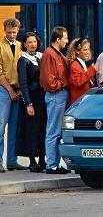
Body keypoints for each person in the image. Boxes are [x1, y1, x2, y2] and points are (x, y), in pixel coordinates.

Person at [39, 26, 70, 174]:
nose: (66, 41)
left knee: (57, 131)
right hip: (56, 95)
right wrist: (62, 84)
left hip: (59, 94)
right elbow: (48, 81)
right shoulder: (50, 54)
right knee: (53, 131)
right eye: (65, 38)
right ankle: (51, 164)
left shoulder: (57, 54)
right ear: (58, 39)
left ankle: (55, 163)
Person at [15, 32, 47, 173]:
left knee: (42, 128)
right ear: (25, 44)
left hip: (42, 99)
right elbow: (23, 83)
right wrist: (28, 103)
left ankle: (42, 159)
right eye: (29, 42)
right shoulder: (23, 59)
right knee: (31, 130)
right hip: (31, 99)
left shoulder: (41, 56)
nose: (33, 44)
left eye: (34, 42)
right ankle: (32, 161)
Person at [0, 18, 28, 173]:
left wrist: (20, 90)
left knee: (14, 127)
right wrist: (10, 90)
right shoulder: (0, 46)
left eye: (14, 32)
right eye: (9, 32)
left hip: (18, 89)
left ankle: (12, 160)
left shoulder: (20, 47)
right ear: (5, 30)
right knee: (1, 126)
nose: (12, 35)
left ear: (18, 31)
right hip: (4, 90)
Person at [67, 38, 97, 105]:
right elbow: (77, 82)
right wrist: (92, 70)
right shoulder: (74, 65)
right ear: (77, 51)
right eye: (85, 50)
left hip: (84, 101)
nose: (88, 52)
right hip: (79, 102)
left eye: (88, 49)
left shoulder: (82, 63)